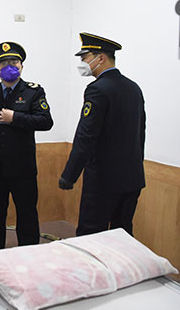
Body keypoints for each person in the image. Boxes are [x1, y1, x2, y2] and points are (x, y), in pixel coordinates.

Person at [59, 32, 146, 237]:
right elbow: (140, 133)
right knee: (122, 235)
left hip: (104, 180)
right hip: (132, 178)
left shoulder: (97, 89)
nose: (82, 63)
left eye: (85, 57)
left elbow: (86, 136)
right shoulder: (133, 88)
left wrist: (69, 175)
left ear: (100, 58)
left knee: (91, 235)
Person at [0, 41, 54, 251]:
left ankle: (29, 254)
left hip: (22, 168)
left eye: (13, 62)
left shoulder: (33, 91)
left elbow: (46, 121)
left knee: (27, 214)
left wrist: (15, 117)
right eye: (3, 63)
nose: (9, 67)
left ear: (21, 66)